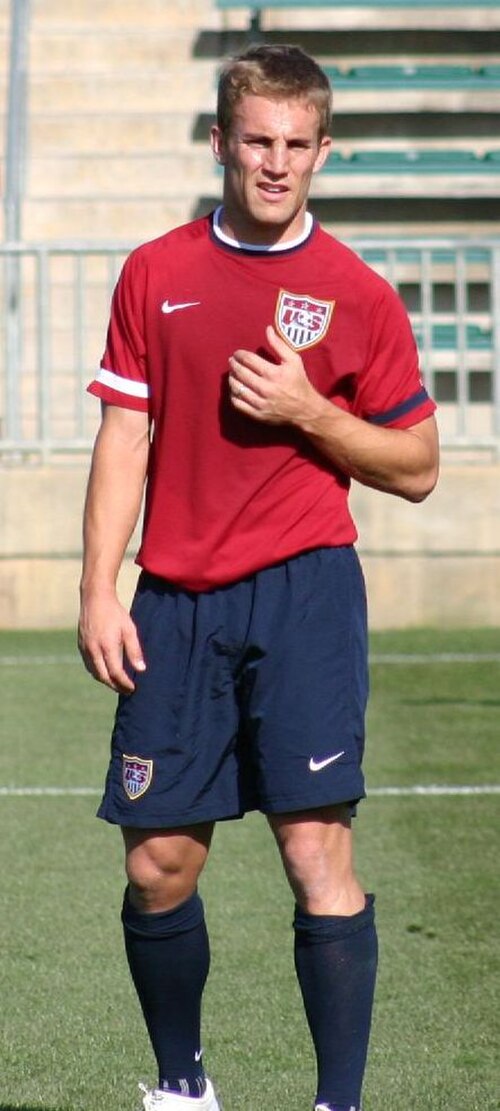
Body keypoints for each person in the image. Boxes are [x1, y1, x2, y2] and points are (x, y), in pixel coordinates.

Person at [78, 43, 439, 1111]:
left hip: (305, 593)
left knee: (314, 848)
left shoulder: (356, 294)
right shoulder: (156, 271)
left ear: (322, 150)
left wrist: (311, 414)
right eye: (255, 143)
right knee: (157, 868)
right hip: (175, 602)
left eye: (294, 145)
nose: (274, 164)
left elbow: (415, 467)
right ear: (219, 144)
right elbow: (122, 437)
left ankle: (335, 1102)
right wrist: (100, 587)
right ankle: (183, 1085)